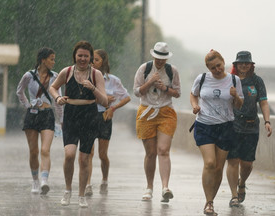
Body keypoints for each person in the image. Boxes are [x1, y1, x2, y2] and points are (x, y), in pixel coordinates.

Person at [49, 41, 108, 208]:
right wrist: (58, 98)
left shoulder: (96, 74)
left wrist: (93, 88)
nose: (82, 59)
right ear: (75, 56)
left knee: (84, 159)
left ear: (90, 58)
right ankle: (68, 190)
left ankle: (81, 195)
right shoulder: (66, 71)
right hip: (71, 115)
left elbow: (104, 101)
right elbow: (53, 88)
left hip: (89, 116)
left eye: (86, 56)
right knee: (69, 155)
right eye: (80, 55)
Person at [190, 49, 244, 215]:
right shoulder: (202, 78)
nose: (217, 69)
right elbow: (193, 95)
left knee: (219, 167)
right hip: (204, 125)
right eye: (213, 68)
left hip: (225, 126)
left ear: (223, 62)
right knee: (210, 163)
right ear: (208, 68)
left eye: (219, 65)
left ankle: (210, 202)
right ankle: (208, 202)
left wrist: (235, 96)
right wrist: (195, 106)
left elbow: (239, 105)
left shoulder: (234, 80)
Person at [133, 42, 181, 203]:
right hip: (146, 111)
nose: (160, 61)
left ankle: (165, 187)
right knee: (151, 153)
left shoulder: (172, 71)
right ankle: (149, 187)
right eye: (158, 58)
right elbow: (136, 91)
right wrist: (150, 82)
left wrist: (165, 88)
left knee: (163, 150)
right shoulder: (144, 69)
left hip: (166, 112)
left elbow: (178, 93)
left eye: (163, 59)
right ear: (153, 56)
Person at [226, 51, 273, 207]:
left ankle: (242, 183)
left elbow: (264, 103)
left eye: (247, 63)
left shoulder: (257, 81)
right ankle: (234, 195)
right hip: (232, 125)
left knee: (247, 164)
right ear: (236, 65)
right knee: (232, 161)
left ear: (251, 65)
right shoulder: (230, 80)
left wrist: (267, 121)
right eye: (241, 63)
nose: (244, 66)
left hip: (251, 125)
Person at [16, 47, 63, 195]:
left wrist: (61, 119)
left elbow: (58, 99)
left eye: (54, 59)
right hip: (32, 115)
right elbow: (20, 91)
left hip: (48, 114)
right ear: (43, 60)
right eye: (51, 59)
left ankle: (44, 181)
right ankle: (35, 180)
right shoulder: (28, 76)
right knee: (33, 151)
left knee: (45, 150)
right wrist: (27, 105)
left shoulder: (55, 77)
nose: (53, 62)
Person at [85, 49, 131, 195]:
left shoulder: (113, 80)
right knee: (88, 153)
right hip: (89, 116)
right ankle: (87, 184)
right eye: (92, 60)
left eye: (96, 60)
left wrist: (113, 108)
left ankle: (104, 179)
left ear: (103, 62)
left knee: (102, 154)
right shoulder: (85, 79)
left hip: (104, 117)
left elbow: (126, 97)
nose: (93, 62)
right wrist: (103, 97)